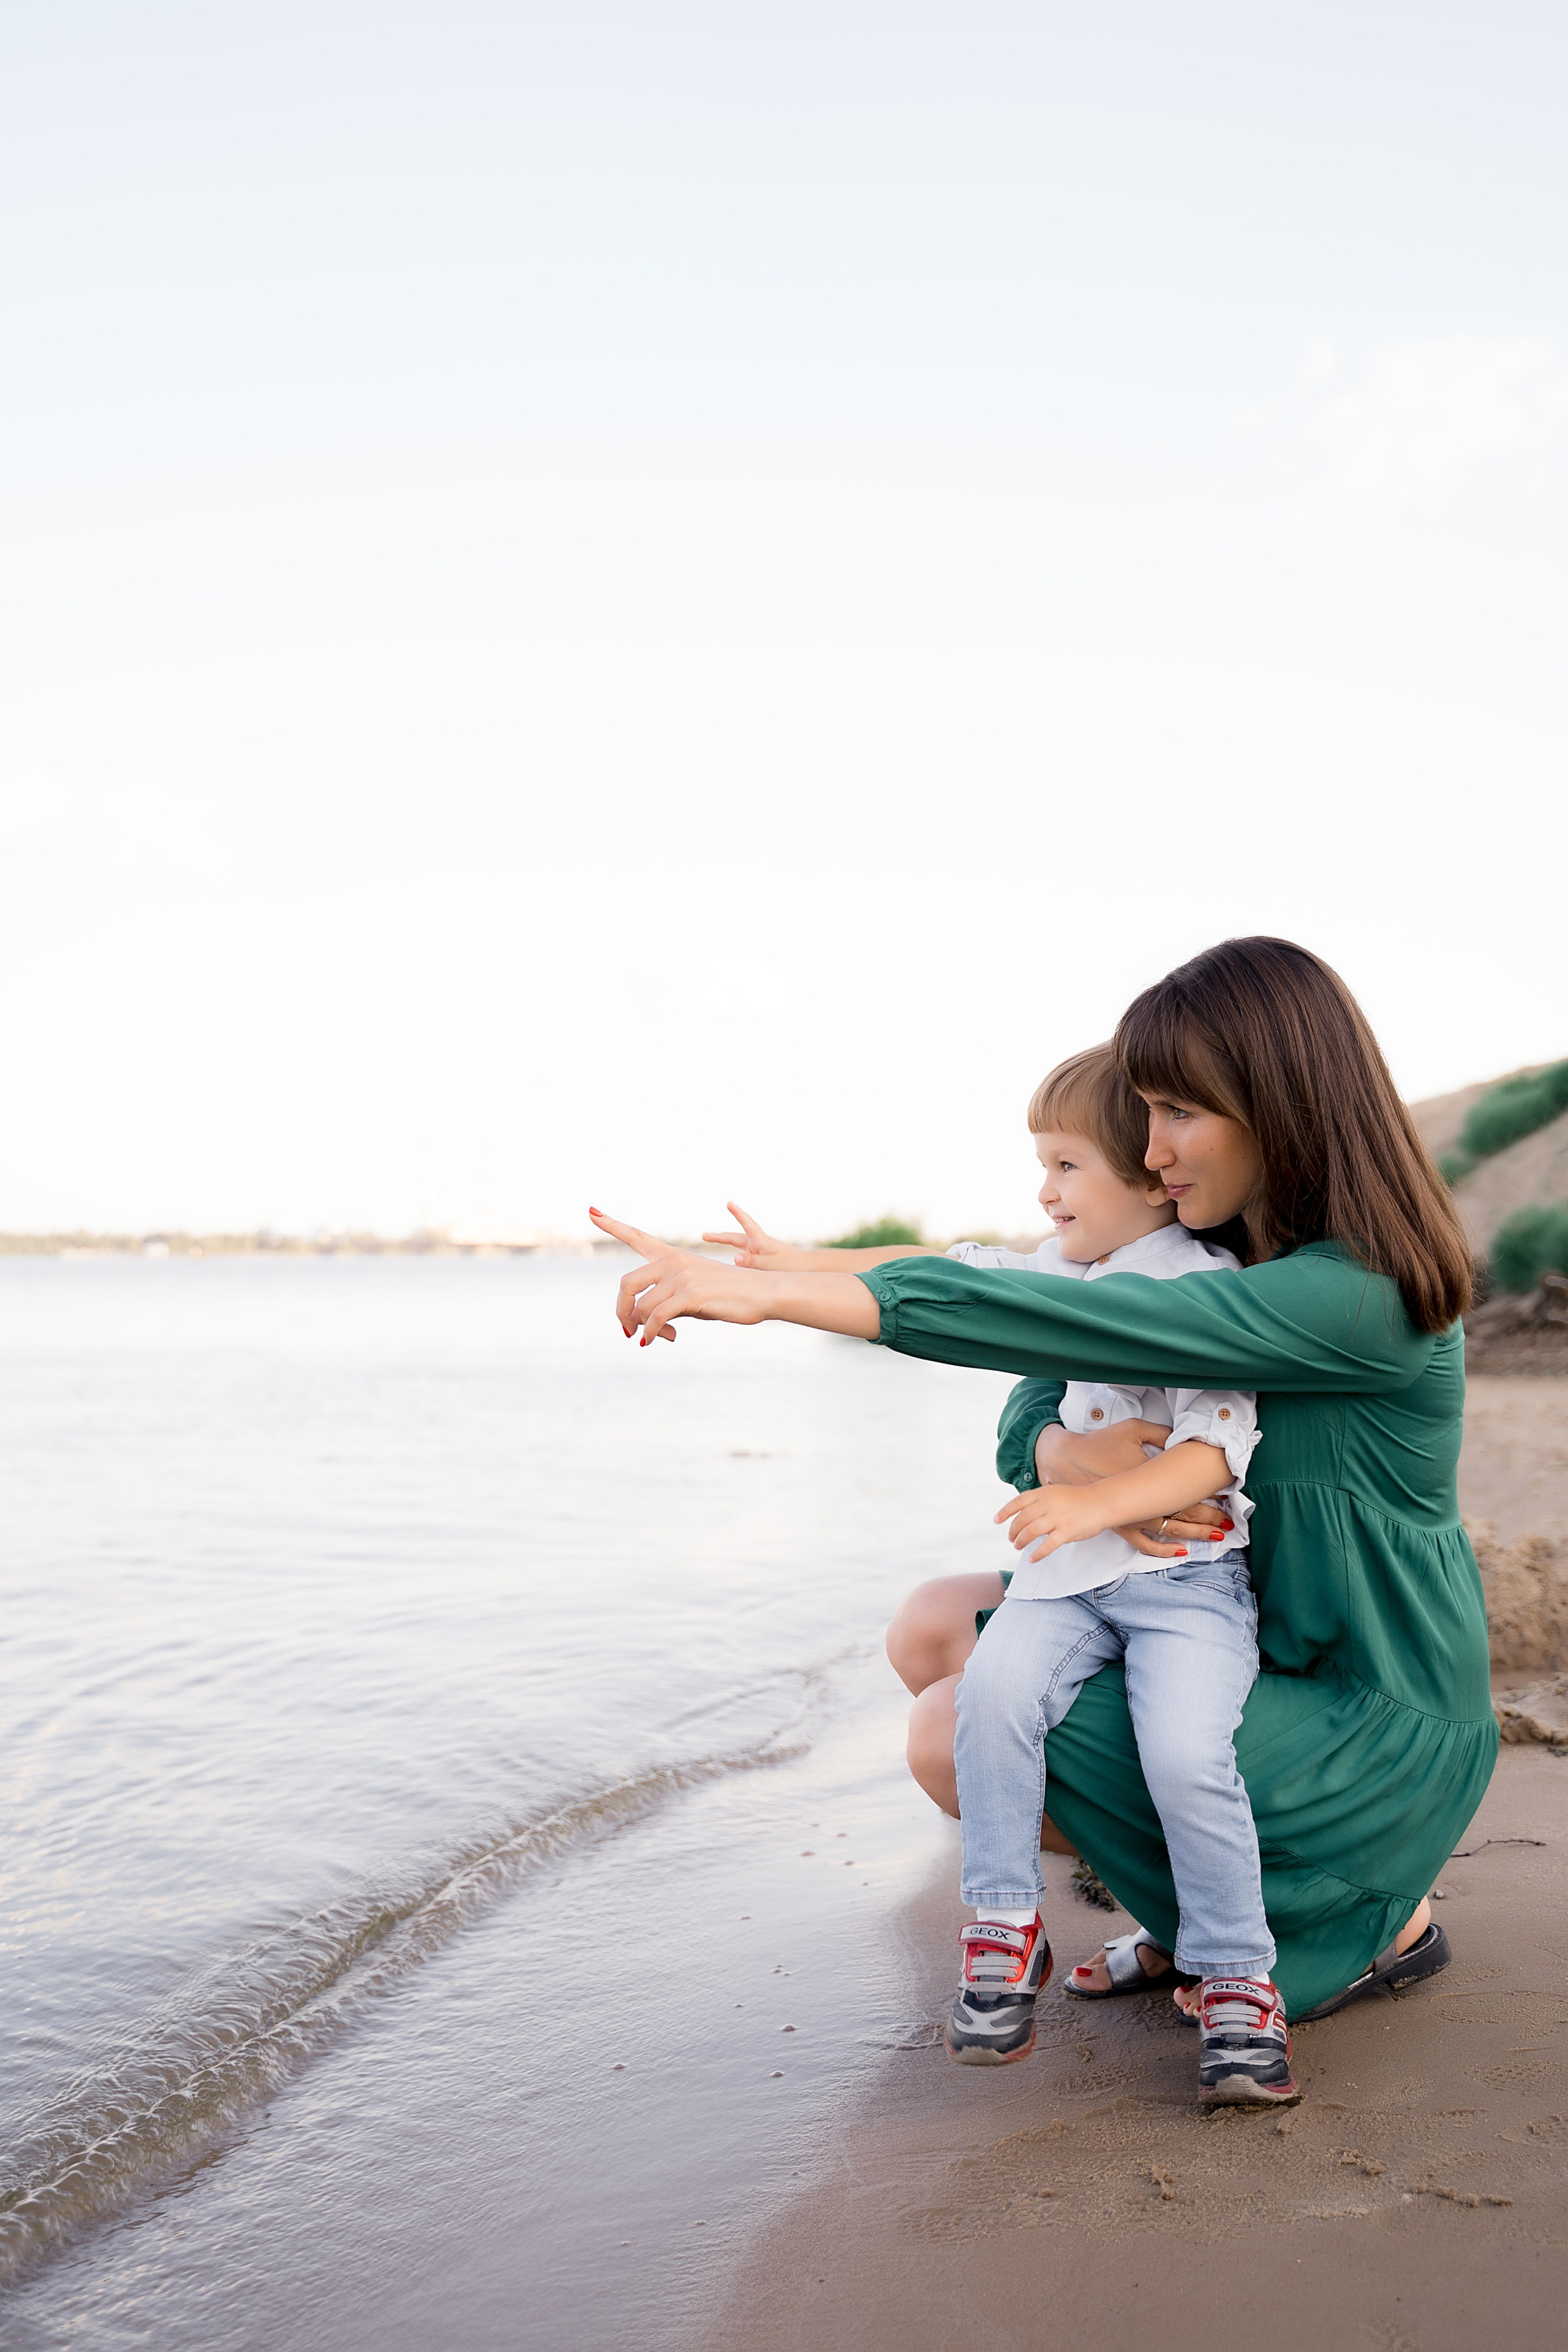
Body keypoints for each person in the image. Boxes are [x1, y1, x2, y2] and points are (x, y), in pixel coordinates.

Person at [590, 935, 1491, 2026]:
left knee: (949, 1729)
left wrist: (781, 1301)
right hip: (1260, 1644)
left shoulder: (1360, 1296)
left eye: (1178, 1111)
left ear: (1279, 1101)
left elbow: (1063, 1315)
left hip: (1370, 1717)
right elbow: (1039, 1346)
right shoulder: (1231, 1250)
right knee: (934, 1627)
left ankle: (1363, 1916)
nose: (1149, 1149)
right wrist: (1057, 1452)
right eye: (1144, 1114)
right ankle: (1196, 1912)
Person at [701, 1046, 1294, 2105]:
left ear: (1148, 1176)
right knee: (992, 1699)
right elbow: (941, 1268)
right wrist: (794, 1263)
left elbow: (1216, 1450)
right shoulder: (1064, 1272)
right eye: (1041, 1166)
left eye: (1066, 1166)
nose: (1045, 1191)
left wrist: (1090, 1501)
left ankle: (1237, 1975)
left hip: (1188, 1584)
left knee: (1185, 1752)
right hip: (1067, 1581)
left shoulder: (1206, 1287)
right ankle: (1007, 1922)